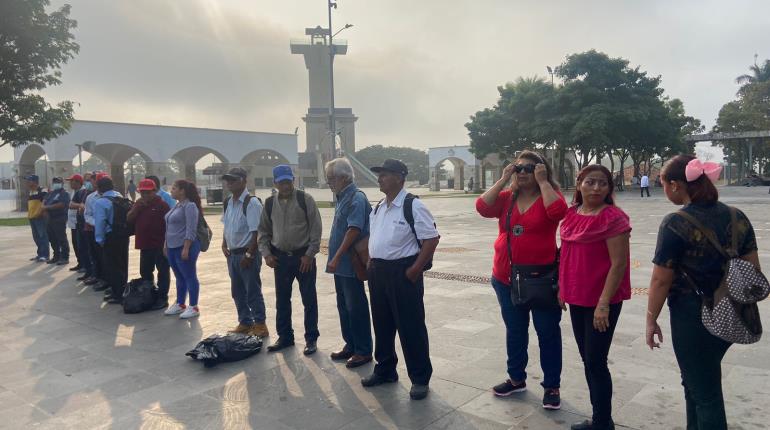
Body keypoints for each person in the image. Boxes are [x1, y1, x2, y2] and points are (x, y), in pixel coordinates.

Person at [646, 156, 759, 430]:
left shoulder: (675, 222)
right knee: (696, 381)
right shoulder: (737, 216)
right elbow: (753, 268)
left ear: (675, 185)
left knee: (706, 393)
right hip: (732, 310)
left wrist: (651, 318)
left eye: (663, 184)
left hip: (692, 315)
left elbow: (661, 279)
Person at [475, 150, 567, 410]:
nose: (524, 172)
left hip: (541, 278)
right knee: (515, 331)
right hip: (505, 278)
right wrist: (503, 178)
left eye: (530, 167)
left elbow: (559, 212)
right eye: (519, 168)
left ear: (542, 170)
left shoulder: (549, 195)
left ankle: (551, 385)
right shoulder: (507, 198)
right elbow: (482, 206)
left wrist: (544, 182)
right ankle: (516, 378)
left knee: (547, 332)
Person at [559, 164, 631, 430]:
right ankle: (600, 418)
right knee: (587, 358)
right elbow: (565, 255)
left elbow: (618, 264)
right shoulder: (571, 214)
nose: (596, 188)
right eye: (590, 182)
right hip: (578, 297)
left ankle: (602, 422)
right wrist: (562, 289)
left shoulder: (613, 218)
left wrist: (603, 305)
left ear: (609, 188)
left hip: (603, 301)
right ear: (579, 184)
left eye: (602, 183)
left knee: (596, 361)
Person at [362, 159, 439, 401]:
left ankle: (419, 378)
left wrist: (415, 269)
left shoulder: (413, 205)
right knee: (382, 325)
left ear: (399, 177)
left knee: (411, 327)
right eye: (380, 174)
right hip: (379, 273)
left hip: (403, 273)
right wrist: (370, 262)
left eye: (385, 174)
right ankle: (385, 369)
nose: (380, 178)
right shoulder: (379, 207)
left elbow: (431, 239)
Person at [258, 165, 322, 355]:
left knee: (309, 299)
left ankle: (311, 338)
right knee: (282, 300)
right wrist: (267, 254)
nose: (286, 185)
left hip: (303, 258)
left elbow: (316, 229)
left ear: (293, 180)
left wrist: (309, 254)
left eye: (288, 181)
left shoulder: (305, 199)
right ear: (275, 183)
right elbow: (263, 231)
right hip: (281, 259)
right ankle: (285, 337)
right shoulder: (269, 203)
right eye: (282, 182)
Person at [325, 158, 373, 368]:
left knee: (356, 307)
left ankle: (363, 350)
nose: (329, 182)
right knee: (344, 306)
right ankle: (351, 345)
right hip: (341, 267)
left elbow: (353, 230)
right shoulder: (342, 196)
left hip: (350, 264)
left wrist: (336, 256)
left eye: (331, 178)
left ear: (344, 177)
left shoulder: (356, 198)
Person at [220, 167, 269, 337]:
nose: (230, 183)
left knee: (252, 290)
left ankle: (260, 324)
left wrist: (249, 254)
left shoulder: (251, 203)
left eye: (234, 180)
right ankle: (245, 322)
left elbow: (257, 232)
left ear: (244, 180)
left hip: (247, 254)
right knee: (237, 291)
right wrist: (224, 244)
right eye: (228, 180)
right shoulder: (228, 202)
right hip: (232, 254)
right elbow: (227, 226)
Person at [127, 178, 171, 310]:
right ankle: (149, 295)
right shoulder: (138, 204)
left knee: (162, 272)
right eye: (142, 192)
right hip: (145, 245)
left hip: (160, 245)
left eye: (148, 192)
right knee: (145, 272)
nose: (145, 195)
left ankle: (162, 297)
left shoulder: (162, 205)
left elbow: (170, 226)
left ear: (155, 191)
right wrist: (136, 208)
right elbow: (129, 219)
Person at [163, 179, 202, 319]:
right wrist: (165, 245)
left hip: (184, 246)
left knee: (190, 275)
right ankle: (180, 303)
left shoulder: (190, 206)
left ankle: (193, 306)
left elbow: (191, 230)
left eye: (174, 188)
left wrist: (186, 248)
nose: (171, 191)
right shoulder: (177, 205)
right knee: (179, 276)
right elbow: (169, 227)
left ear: (182, 191)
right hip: (172, 247)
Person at [93, 176, 130, 304]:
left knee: (112, 266)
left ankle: (117, 293)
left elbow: (100, 222)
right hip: (123, 234)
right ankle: (123, 290)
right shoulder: (119, 196)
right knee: (123, 262)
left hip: (110, 237)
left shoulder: (100, 202)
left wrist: (100, 240)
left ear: (99, 188)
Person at [82, 173, 107, 289]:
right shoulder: (91, 197)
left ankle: (106, 279)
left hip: (108, 232)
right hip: (93, 231)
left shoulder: (116, 196)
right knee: (95, 255)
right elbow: (87, 215)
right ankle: (97, 277)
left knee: (105, 257)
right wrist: (98, 224)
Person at [43, 177, 71, 265]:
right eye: (54, 182)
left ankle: (65, 257)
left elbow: (61, 204)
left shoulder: (64, 193)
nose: (56, 183)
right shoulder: (51, 193)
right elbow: (44, 201)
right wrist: (44, 208)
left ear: (62, 183)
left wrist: (47, 207)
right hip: (50, 219)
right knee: (52, 238)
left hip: (59, 218)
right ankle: (56, 256)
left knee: (61, 238)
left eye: (58, 182)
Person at [72, 173, 94, 281]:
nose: (87, 182)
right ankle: (87, 271)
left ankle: (94, 273)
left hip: (91, 227)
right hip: (80, 225)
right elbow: (71, 204)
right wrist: (79, 205)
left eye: (89, 180)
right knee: (82, 249)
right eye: (86, 180)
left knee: (91, 251)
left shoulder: (95, 194)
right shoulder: (82, 192)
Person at [26, 175, 49, 262]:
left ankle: (45, 255)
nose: (28, 182)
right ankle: (40, 254)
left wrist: (41, 213)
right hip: (32, 217)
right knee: (36, 237)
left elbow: (45, 201)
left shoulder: (42, 190)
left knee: (42, 235)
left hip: (39, 217)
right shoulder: (31, 192)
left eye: (29, 181)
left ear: (35, 181)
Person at [66, 174, 86, 272]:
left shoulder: (82, 192)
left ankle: (84, 264)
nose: (70, 183)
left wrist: (77, 205)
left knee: (80, 245)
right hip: (73, 222)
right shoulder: (74, 192)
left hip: (79, 222)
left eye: (72, 181)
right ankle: (80, 263)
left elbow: (71, 205)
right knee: (75, 243)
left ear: (78, 182)